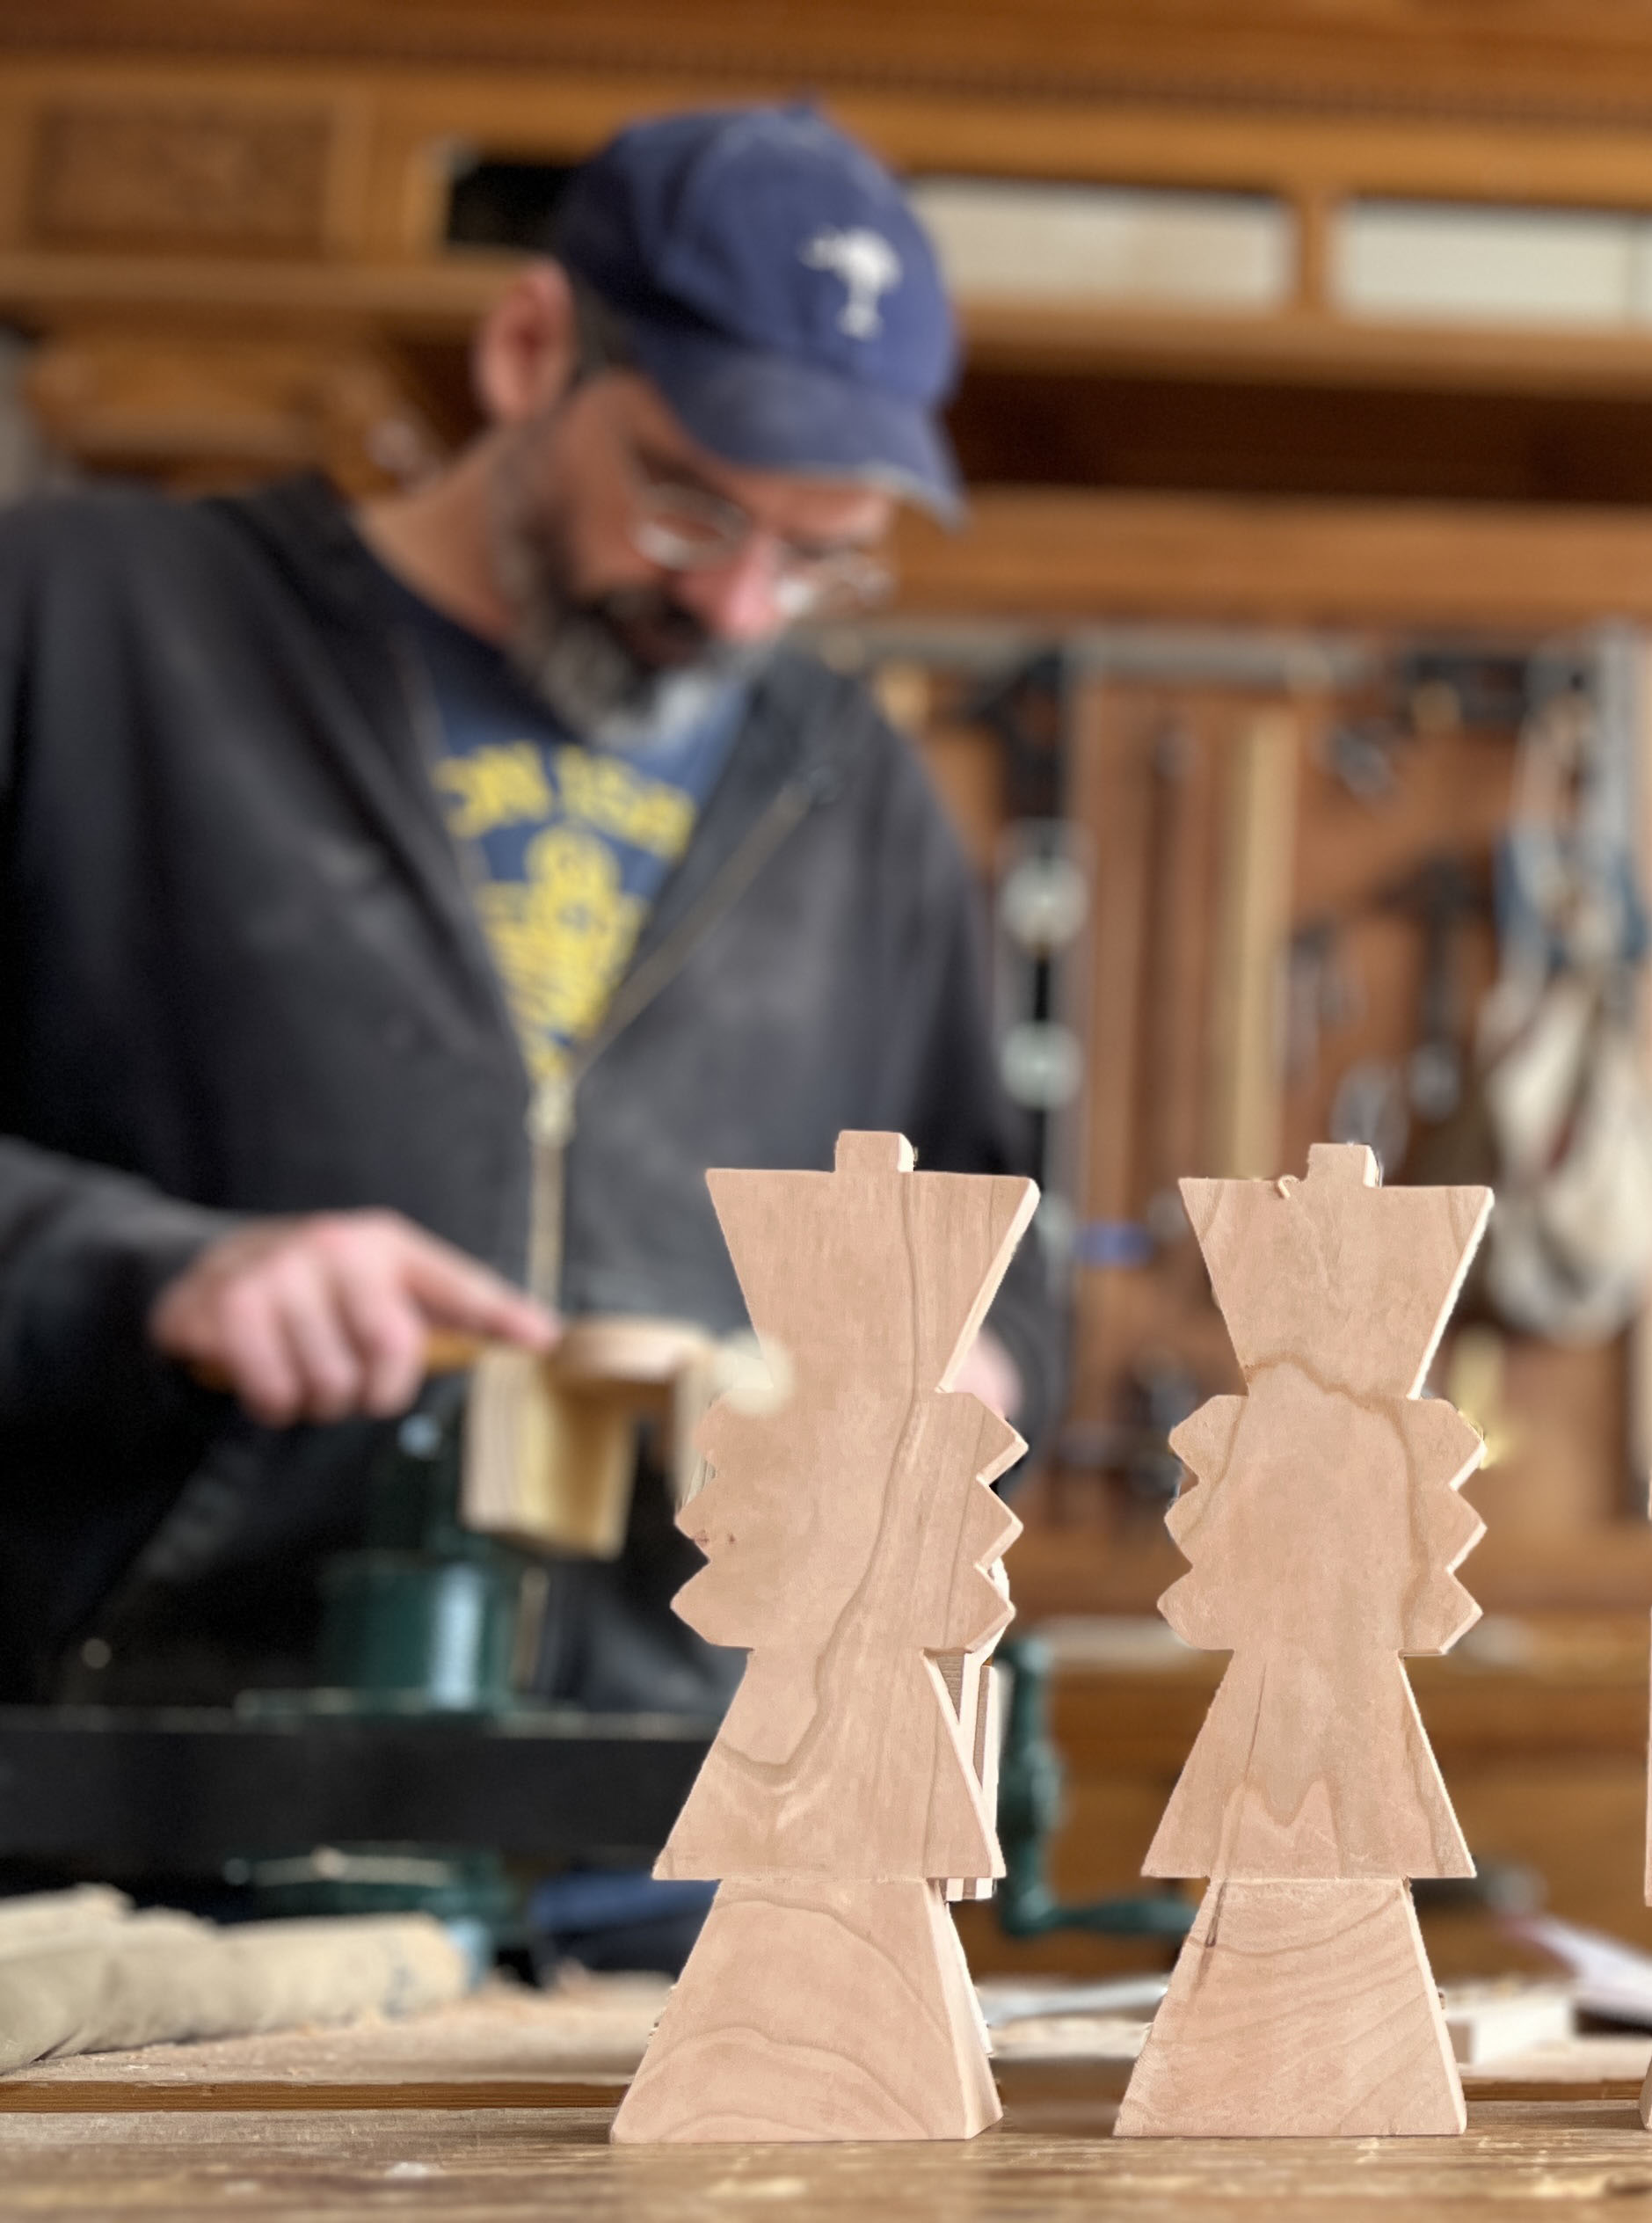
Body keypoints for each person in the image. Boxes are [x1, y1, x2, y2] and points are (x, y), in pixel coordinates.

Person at [0, 105, 1059, 1709]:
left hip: (678, 1809)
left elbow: (994, 1264)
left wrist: (957, 1376)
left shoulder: (854, 791)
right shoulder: (82, 625)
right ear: (526, 348)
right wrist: (153, 1270)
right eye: (688, 505)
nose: (738, 603)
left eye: (820, 555)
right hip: (156, 1788)